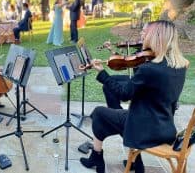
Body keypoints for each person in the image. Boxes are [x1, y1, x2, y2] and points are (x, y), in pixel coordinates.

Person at [80, 20, 189, 173]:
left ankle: (97, 157)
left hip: (144, 130)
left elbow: (124, 94)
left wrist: (101, 72)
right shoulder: (181, 65)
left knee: (99, 113)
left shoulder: (149, 69)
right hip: (166, 129)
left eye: (145, 33)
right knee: (118, 115)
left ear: (155, 37)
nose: (142, 36)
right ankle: (136, 163)